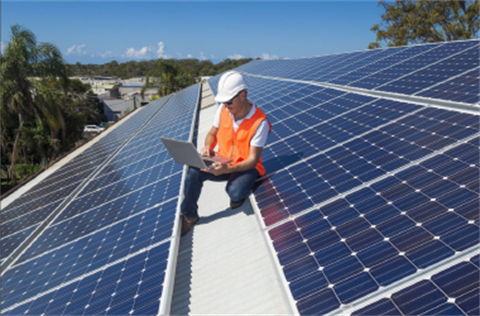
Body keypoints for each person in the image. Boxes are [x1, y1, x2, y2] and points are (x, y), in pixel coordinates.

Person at [180, 71, 271, 236]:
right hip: (221, 160)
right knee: (193, 172)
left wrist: (226, 170)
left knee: (235, 192)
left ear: (242, 95)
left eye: (229, 101)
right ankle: (189, 215)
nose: (226, 106)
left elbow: (252, 160)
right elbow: (212, 134)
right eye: (223, 102)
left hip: (245, 167)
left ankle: (241, 189)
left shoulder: (260, 123)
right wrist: (207, 147)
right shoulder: (223, 109)